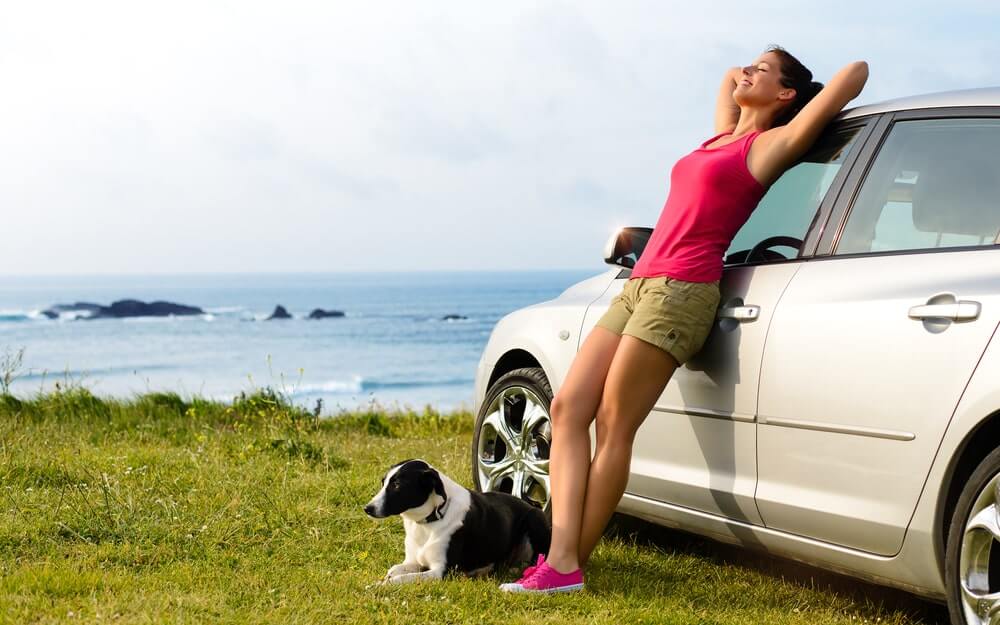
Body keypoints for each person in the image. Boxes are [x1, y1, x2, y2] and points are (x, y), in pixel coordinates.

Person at [499, 45, 869, 593]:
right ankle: (560, 551)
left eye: (761, 71)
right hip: (638, 285)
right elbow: (727, 77)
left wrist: (796, 95)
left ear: (787, 94)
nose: (745, 72)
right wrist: (757, 74)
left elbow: (854, 74)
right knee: (567, 407)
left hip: (683, 291)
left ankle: (565, 564)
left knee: (613, 423)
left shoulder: (768, 147)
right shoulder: (720, 136)